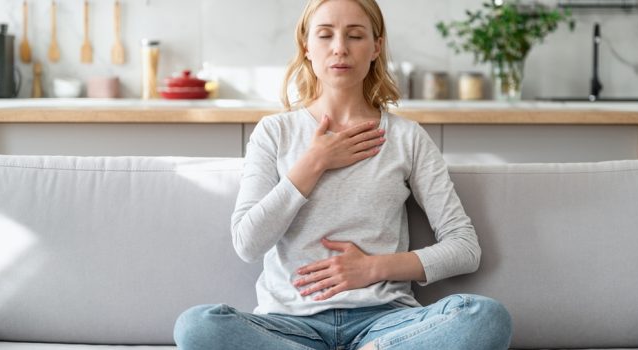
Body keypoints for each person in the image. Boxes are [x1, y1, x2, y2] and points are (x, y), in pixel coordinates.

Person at [173, 0, 512, 349]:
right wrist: (313, 164)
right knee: (197, 326)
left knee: (485, 317)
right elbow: (248, 243)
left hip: (385, 322)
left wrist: (374, 268)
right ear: (306, 46)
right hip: (289, 326)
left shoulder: (406, 138)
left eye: (355, 35)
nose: (339, 48)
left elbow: (464, 248)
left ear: (376, 47)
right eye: (325, 35)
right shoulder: (274, 133)